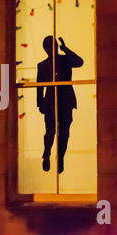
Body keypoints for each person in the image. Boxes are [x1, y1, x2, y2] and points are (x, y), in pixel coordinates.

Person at [37, 36, 84, 174]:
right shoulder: (43, 65)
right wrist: (40, 104)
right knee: (50, 131)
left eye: (54, 45)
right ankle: (47, 153)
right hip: (51, 102)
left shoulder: (65, 60)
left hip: (66, 101)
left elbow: (79, 62)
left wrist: (66, 49)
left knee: (64, 133)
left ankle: (61, 157)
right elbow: (39, 87)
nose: (52, 48)